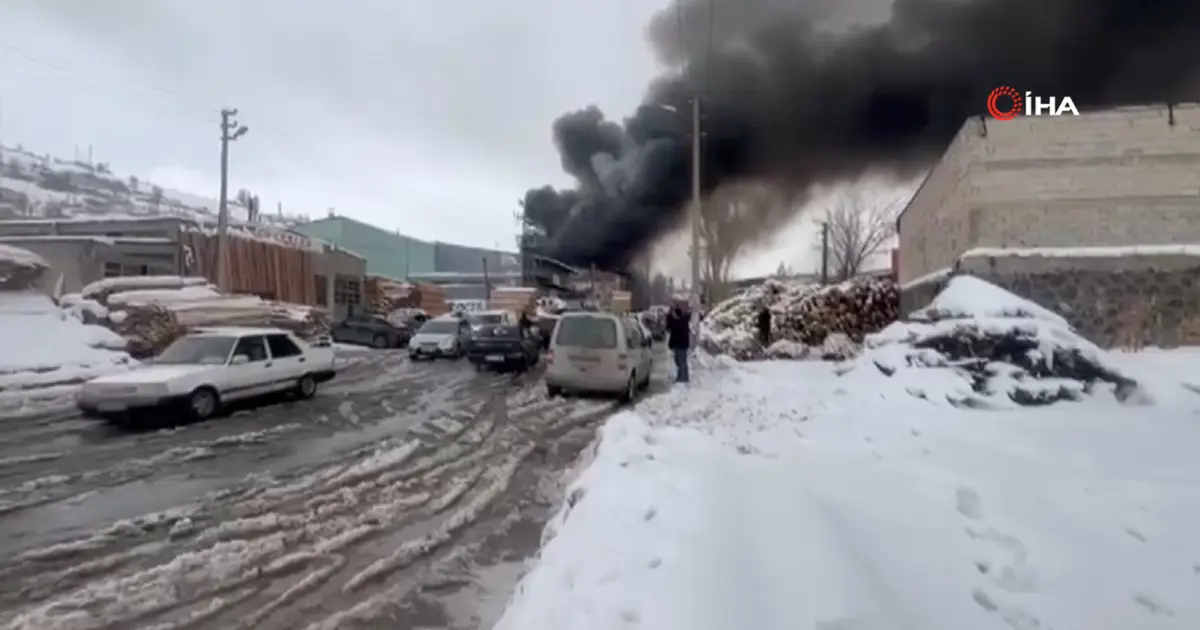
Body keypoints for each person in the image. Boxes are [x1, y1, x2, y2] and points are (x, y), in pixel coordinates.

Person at [666, 299, 691, 383]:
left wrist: (670, 314)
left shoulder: (679, 320)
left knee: (680, 361)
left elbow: (670, 327)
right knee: (682, 361)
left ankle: (682, 379)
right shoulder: (682, 319)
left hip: (679, 343)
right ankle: (684, 377)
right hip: (682, 342)